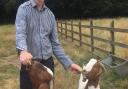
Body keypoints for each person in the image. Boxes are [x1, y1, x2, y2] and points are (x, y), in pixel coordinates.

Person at [15, 0, 82, 89]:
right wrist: (23, 51)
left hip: (47, 64)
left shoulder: (50, 15)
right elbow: (20, 33)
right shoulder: (23, 9)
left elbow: (55, 44)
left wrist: (69, 64)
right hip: (30, 64)